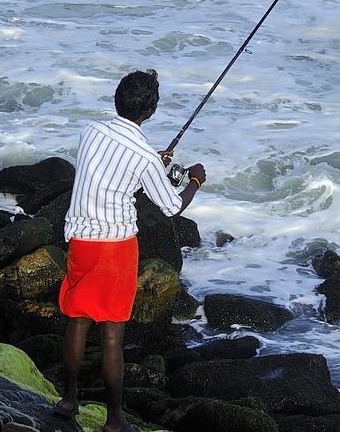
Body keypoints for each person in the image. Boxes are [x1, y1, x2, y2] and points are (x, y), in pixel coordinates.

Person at [53, 69, 206, 432]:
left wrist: (151, 161)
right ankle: (115, 420)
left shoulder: (89, 132)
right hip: (115, 249)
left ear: (117, 99)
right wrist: (196, 181)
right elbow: (171, 206)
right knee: (111, 334)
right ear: (150, 111)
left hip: (80, 241)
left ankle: (69, 399)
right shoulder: (145, 158)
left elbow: (111, 164)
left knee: (78, 319)